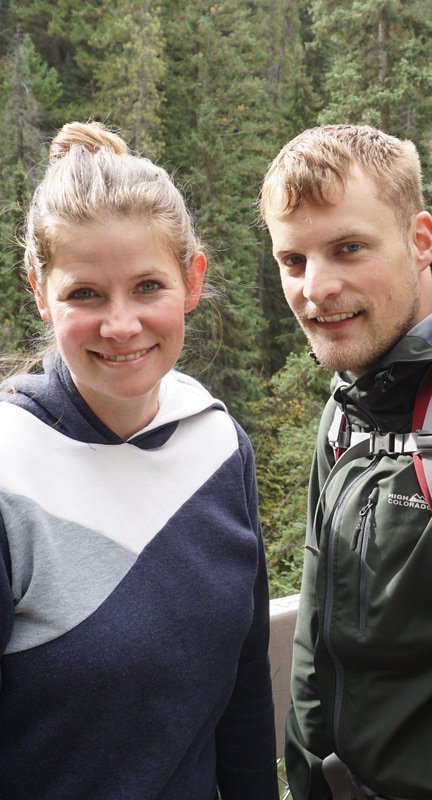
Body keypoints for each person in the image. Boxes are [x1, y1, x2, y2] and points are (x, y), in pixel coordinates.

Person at [0, 120, 278, 800]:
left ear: (192, 280)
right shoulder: (11, 468)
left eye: (148, 287)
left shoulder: (215, 442)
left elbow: (242, 693)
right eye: (84, 294)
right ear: (40, 291)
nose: (120, 325)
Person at [259, 123, 432, 800]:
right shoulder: (355, 400)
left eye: (348, 248)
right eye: (293, 260)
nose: (315, 287)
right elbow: (316, 633)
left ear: (419, 241)